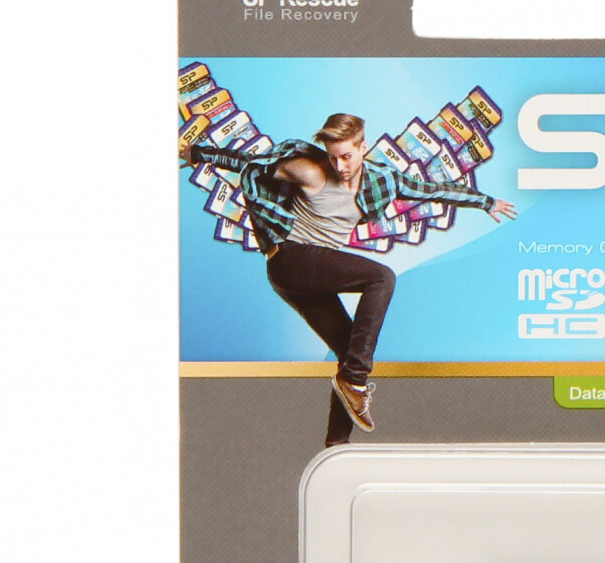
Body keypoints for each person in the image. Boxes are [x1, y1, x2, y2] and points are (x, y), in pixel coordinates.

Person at [187, 113, 516, 442]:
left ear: (363, 147)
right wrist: (197, 153)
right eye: (333, 157)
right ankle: (356, 380)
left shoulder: (383, 181)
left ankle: (336, 445)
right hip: (289, 259)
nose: (340, 166)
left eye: (346, 156)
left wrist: (486, 202)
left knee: (348, 354)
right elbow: (248, 162)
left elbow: (432, 190)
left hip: (311, 275)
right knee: (382, 278)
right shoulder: (309, 170)